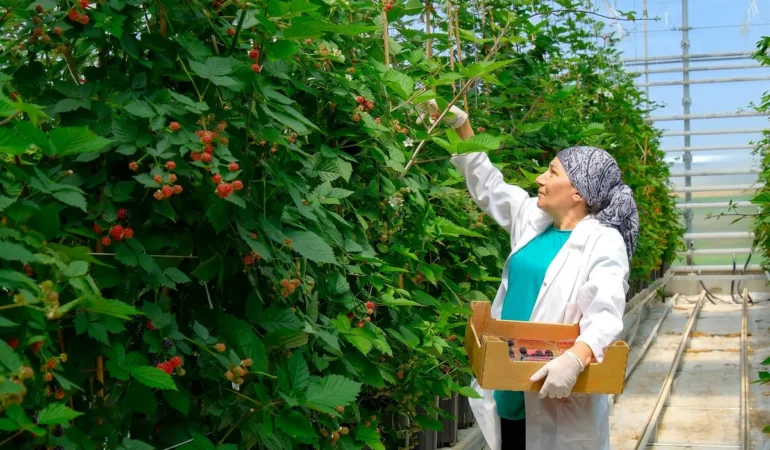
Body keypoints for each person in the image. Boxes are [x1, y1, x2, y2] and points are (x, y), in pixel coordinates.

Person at [419, 100, 638, 450]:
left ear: (578, 192)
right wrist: (462, 127)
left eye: (552, 172)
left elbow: (607, 310)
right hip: (508, 385)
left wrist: (576, 358)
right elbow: (489, 186)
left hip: (553, 390)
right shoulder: (535, 222)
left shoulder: (602, 242)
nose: (540, 178)